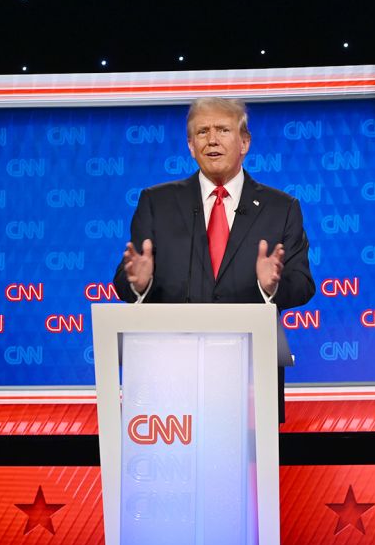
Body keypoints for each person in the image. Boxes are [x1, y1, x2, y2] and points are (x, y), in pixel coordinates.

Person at [113, 97, 316, 419]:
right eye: (202, 132)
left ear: (244, 142)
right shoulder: (157, 201)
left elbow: (303, 285)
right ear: (191, 146)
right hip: (169, 370)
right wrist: (140, 283)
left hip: (250, 371)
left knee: (249, 469)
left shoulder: (282, 207)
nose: (212, 140)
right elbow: (125, 283)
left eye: (222, 130)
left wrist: (271, 288)